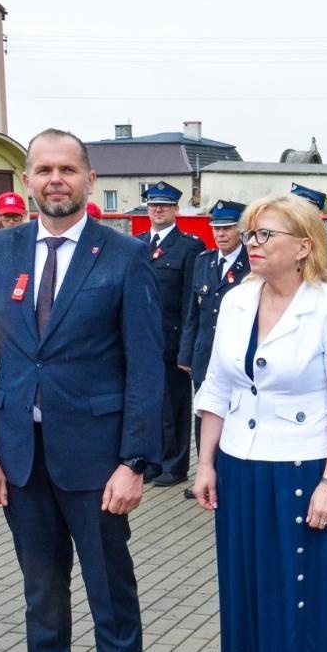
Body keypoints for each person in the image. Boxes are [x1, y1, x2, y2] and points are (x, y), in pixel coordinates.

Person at [0, 128, 163, 652]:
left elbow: (145, 367)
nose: (56, 180)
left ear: (89, 180)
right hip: (21, 456)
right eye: (44, 169)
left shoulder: (124, 256)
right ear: (27, 180)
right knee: (41, 589)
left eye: (68, 169)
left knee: (110, 591)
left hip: (97, 460)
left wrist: (133, 462)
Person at [192, 193, 327, 652]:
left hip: (303, 468)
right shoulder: (237, 299)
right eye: (251, 234)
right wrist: (206, 463)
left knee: (305, 596)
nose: (254, 244)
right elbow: (217, 387)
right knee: (255, 592)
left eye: (266, 234)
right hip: (242, 466)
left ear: (304, 246)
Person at [179, 199, 249, 498]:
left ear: (241, 230)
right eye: (216, 228)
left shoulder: (252, 263)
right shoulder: (204, 261)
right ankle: (206, 471)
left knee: (236, 414)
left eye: (227, 228)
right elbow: (192, 312)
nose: (220, 234)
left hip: (238, 356)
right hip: (205, 354)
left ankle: (232, 474)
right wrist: (186, 352)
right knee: (205, 413)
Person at [137, 180, 204, 487]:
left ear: (176, 209)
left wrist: (186, 347)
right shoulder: (137, 244)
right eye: (153, 205)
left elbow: (191, 301)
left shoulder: (189, 246)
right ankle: (153, 461)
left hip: (172, 339)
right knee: (148, 403)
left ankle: (175, 465)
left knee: (173, 404)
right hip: (142, 340)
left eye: (164, 205)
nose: (158, 210)